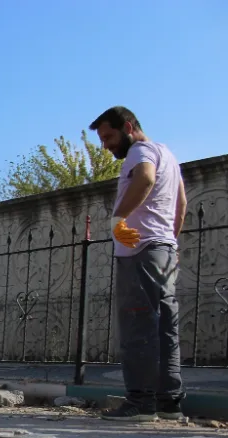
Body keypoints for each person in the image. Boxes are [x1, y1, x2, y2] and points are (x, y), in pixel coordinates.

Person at [90, 106, 186, 422]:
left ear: (128, 127)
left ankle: (141, 403)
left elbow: (144, 177)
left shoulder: (140, 152)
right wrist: (170, 240)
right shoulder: (168, 154)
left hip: (140, 251)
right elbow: (181, 204)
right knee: (165, 328)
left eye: (109, 137)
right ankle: (168, 402)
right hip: (163, 250)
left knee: (137, 326)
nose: (106, 145)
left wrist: (118, 219)